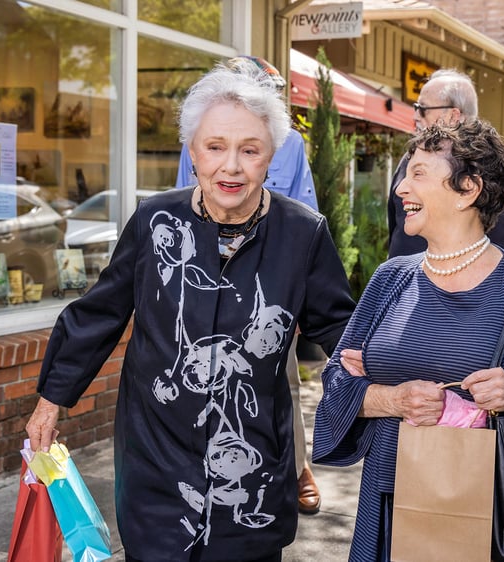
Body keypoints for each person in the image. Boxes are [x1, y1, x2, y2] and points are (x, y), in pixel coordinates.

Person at [25, 62, 355, 561]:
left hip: (251, 464)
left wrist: (386, 383)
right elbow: (100, 313)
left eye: (250, 149)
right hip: (156, 456)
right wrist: (51, 402)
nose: (232, 166)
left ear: (270, 157)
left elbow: (339, 327)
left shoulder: (302, 232)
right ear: (192, 151)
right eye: (215, 147)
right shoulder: (155, 219)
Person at [312, 121, 504, 561]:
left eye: (419, 173)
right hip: (387, 501)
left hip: (482, 513)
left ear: (468, 189)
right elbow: (336, 383)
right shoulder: (390, 280)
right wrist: (391, 398)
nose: (401, 186)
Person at [176, 56, 323, 516]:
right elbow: (186, 211)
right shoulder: (199, 141)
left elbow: (305, 214)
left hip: (267, 295)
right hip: (211, 285)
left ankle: (295, 466)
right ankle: (201, 465)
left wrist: (295, 302)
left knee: (282, 382)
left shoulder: (290, 144)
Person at [388, 68, 504, 258]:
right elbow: (396, 228)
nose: (415, 116)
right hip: (405, 284)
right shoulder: (408, 161)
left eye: (422, 109)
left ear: (454, 115)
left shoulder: (492, 166)